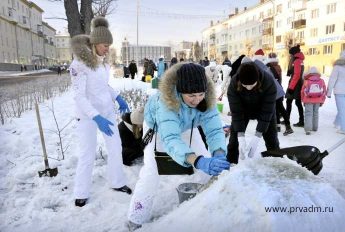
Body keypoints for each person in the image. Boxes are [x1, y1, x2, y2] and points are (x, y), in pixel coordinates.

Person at [127, 63, 230, 229]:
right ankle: (136, 216)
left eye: (200, 94)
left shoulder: (207, 99)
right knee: (151, 173)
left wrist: (218, 152)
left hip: (187, 126)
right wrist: (196, 161)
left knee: (207, 162)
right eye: (191, 95)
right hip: (159, 129)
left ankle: (209, 203)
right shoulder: (165, 102)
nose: (197, 100)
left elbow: (214, 129)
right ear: (180, 91)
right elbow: (171, 139)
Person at [69, 16, 132, 207]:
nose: (107, 49)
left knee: (115, 148)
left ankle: (117, 182)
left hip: (106, 112)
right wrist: (95, 117)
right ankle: (81, 192)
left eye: (109, 45)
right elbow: (79, 96)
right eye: (105, 45)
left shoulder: (104, 63)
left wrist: (117, 97)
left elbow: (104, 86)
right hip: (87, 116)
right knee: (87, 153)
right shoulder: (78, 65)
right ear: (95, 43)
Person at [227, 61, 279, 164]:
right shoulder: (234, 83)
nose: (249, 88)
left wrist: (258, 135)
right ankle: (230, 165)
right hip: (243, 111)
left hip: (264, 111)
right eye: (245, 85)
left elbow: (267, 110)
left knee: (272, 139)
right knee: (234, 140)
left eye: (252, 85)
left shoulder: (269, 82)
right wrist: (241, 136)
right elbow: (236, 112)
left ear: (258, 80)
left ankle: (276, 163)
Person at [266, 53, 294, 136]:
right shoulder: (278, 67)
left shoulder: (269, 68)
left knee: (277, 108)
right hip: (278, 88)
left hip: (273, 90)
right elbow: (279, 79)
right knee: (279, 108)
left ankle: (283, 126)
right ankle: (281, 126)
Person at [327, 49, 345, 134]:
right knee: (342, 109)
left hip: (339, 91)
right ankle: (337, 123)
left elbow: (332, 80)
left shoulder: (337, 67)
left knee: (342, 110)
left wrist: (328, 92)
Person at [301, 67, 326, 135]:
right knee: (315, 113)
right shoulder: (321, 81)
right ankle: (315, 128)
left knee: (308, 114)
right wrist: (322, 101)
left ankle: (308, 130)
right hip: (318, 100)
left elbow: (303, 91)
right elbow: (324, 91)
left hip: (308, 100)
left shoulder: (307, 81)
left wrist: (303, 100)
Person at [286, 44, 305, 127]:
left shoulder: (297, 61)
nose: (290, 56)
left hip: (295, 84)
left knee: (292, 102)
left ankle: (299, 121)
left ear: (294, 54)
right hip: (298, 83)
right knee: (296, 102)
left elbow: (297, 75)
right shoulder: (300, 60)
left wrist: (291, 87)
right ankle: (301, 120)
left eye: (291, 54)